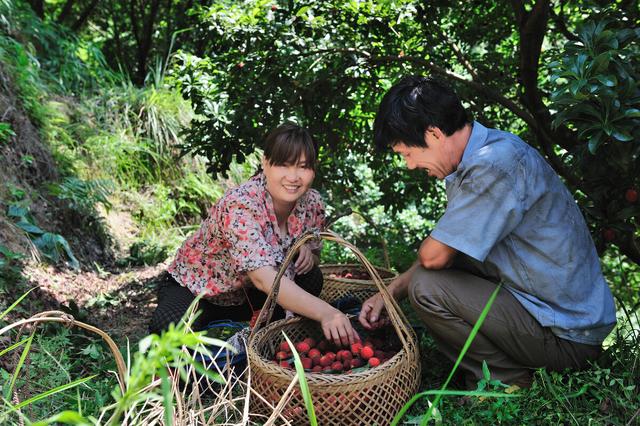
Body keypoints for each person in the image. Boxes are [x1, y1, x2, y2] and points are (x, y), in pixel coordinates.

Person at [359, 76, 616, 389]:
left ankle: (506, 380)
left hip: (567, 340)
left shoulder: (493, 166)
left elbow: (434, 255)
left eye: (406, 153)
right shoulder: (488, 155)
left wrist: (402, 286)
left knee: (427, 287)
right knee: (440, 270)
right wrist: (389, 292)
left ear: (434, 134)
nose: (410, 165)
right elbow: (450, 248)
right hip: (554, 319)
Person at [150, 123, 359, 347]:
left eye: (303, 166)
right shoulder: (241, 205)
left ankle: (273, 337)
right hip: (200, 291)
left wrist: (307, 252)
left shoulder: (312, 203)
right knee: (169, 325)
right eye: (283, 165)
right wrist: (326, 312)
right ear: (265, 163)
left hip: (249, 295)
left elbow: (315, 256)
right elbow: (263, 278)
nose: (293, 176)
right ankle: (219, 355)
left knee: (311, 277)